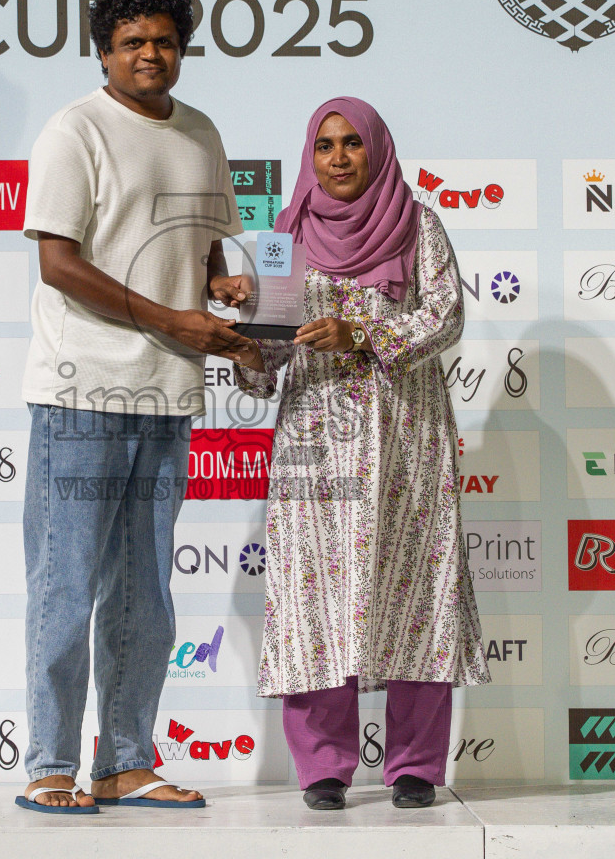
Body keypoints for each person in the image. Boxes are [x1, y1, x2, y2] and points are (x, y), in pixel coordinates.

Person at [15, 0, 253, 814]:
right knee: (66, 582)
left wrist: (228, 296)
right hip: (82, 391)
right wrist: (173, 320)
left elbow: (214, 250)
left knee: (145, 589)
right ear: (104, 52)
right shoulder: (74, 130)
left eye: (163, 40)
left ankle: (124, 760)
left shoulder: (201, 133)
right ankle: (49, 764)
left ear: (181, 48)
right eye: (131, 42)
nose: (149, 54)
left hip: (168, 393)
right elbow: (58, 262)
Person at [228, 97, 490, 810]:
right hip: (317, 444)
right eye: (324, 145)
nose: (339, 158)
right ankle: (322, 767)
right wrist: (240, 325)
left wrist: (364, 334)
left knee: (418, 592)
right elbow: (264, 364)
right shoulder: (283, 240)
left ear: (377, 149)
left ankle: (414, 766)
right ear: (309, 156)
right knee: (313, 599)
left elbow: (445, 316)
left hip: (407, 436)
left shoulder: (417, 223)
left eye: (352, 144)